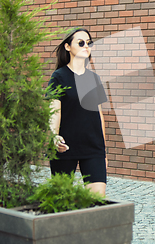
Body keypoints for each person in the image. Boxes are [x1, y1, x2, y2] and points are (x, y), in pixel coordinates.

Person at [48, 27, 108, 196]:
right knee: (61, 199)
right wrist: (54, 136)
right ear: (68, 47)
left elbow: (99, 116)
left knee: (97, 200)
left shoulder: (93, 78)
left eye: (89, 43)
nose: (86, 46)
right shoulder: (58, 76)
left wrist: (103, 151)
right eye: (80, 42)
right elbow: (55, 110)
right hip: (65, 146)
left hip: (92, 147)